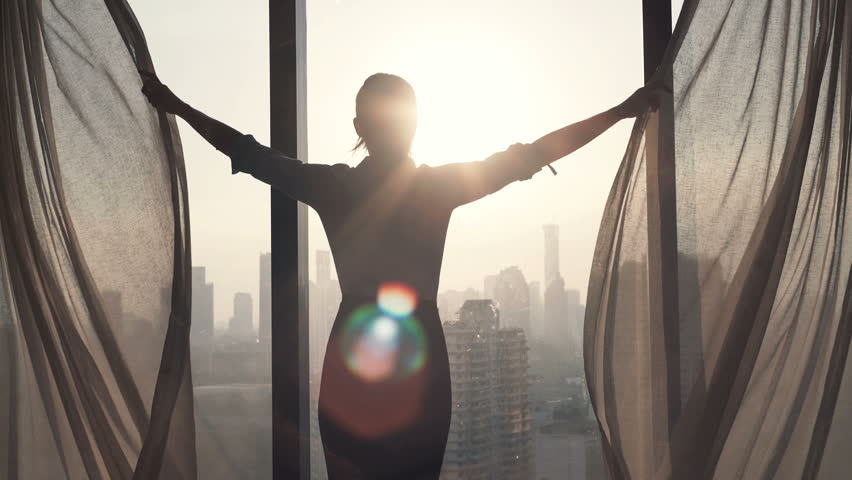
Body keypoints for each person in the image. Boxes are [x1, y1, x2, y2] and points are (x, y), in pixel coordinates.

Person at [140, 69, 666, 479]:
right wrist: (620, 111)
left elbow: (248, 152)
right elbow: (531, 154)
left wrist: (176, 104)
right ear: (413, 126)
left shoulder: (335, 188)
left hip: (354, 364)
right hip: (420, 367)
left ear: (358, 128)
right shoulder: (434, 189)